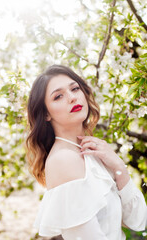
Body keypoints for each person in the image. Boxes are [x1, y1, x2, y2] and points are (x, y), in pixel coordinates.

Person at [26, 65, 147, 240]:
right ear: (45, 114)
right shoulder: (64, 160)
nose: (72, 98)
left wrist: (118, 165)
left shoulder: (92, 152)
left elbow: (137, 220)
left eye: (75, 88)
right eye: (58, 96)